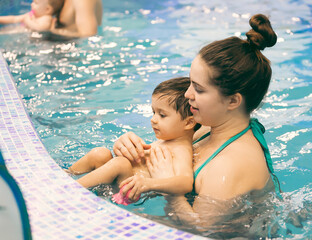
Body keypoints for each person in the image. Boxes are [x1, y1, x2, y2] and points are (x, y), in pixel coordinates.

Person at [113, 13, 282, 229]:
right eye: (191, 83)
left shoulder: (229, 166)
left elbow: (200, 229)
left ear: (232, 101)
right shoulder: (207, 128)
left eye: (199, 89)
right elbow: (163, 154)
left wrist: (169, 190)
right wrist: (129, 147)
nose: (187, 94)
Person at [67, 77, 200, 204]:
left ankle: (69, 191)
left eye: (162, 115)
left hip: (129, 191)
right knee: (100, 153)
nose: (153, 119)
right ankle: (65, 175)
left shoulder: (181, 149)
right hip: (119, 180)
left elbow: (185, 182)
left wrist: (149, 184)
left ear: (189, 123)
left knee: (121, 163)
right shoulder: (168, 139)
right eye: (153, 112)